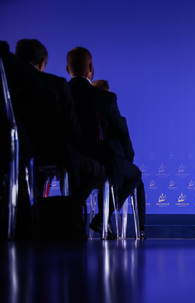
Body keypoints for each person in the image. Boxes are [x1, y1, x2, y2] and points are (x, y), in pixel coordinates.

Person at [13, 39, 106, 204]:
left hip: (13, 157)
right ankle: (67, 214)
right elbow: (74, 132)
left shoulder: (8, 85)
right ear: (42, 64)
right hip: (52, 156)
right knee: (98, 170)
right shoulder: (56, 85)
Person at [66, 47, 141, 239]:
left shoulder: (59, 92)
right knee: (135, 174)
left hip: (67, 158)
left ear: (68, 69)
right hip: (102, 162)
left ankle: (69, 218)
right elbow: (122, 134)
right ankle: (102, 217)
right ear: (91, 67)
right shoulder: (105, 97)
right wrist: (127, 160)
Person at [91, 79, 146, 240]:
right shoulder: (116, 118)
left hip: (92, 166)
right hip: (112, 164)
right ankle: (140, 230)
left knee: (110, 183)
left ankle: (105, 223)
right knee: (136, 176)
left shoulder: (84, 116)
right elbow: (127, 147)